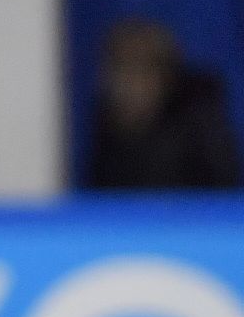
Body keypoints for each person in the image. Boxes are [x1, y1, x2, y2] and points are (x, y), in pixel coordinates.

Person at [85, 17, 240, 191]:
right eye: (121, 68)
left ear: (167, 76)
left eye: (143, 69)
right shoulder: (105, 126)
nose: (130, 84)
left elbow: (224, 190)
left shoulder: (200, 123)